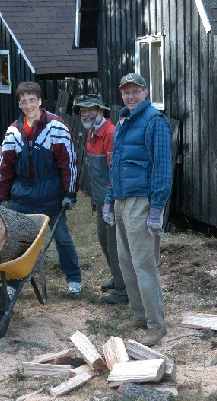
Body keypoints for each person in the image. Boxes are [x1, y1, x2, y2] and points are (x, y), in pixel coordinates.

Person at [103, 73, 172, 346]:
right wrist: (109, 199)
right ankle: (139, 314)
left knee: (144, 265)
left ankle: (157, 324)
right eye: (126, 92)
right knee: (126, 261)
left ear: (145, 91)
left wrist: (156, 208)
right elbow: (116, 164)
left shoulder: (155, 122)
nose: (130, 96)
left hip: (142, 202)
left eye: (135, 91)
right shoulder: (123, 121)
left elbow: (163, 169)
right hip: (122, 200)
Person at [0, 81, 82, 295]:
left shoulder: (56, 127)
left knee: (62, 238)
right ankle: (13, 284)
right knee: (19, 242)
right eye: (24, 102)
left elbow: (68, 163)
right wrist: (3, 196)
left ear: (40, 101)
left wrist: (69, 192)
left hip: (51, 199)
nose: (28, 105)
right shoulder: (13, 132)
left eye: (32, 100)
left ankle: (74, 279)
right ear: (19, 104)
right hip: (23, 199)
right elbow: (5, 167)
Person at [73, 94, 128, 304]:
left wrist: (109, 201)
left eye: (90, 110)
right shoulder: (91, 133)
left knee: (114, 245)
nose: (85, 114)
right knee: (103, 240)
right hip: (99, 199)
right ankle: (117, 277)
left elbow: (114, 172)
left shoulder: (110, 133)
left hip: (112, 200)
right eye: (82, 111)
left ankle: (123, 291)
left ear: (101, 111)